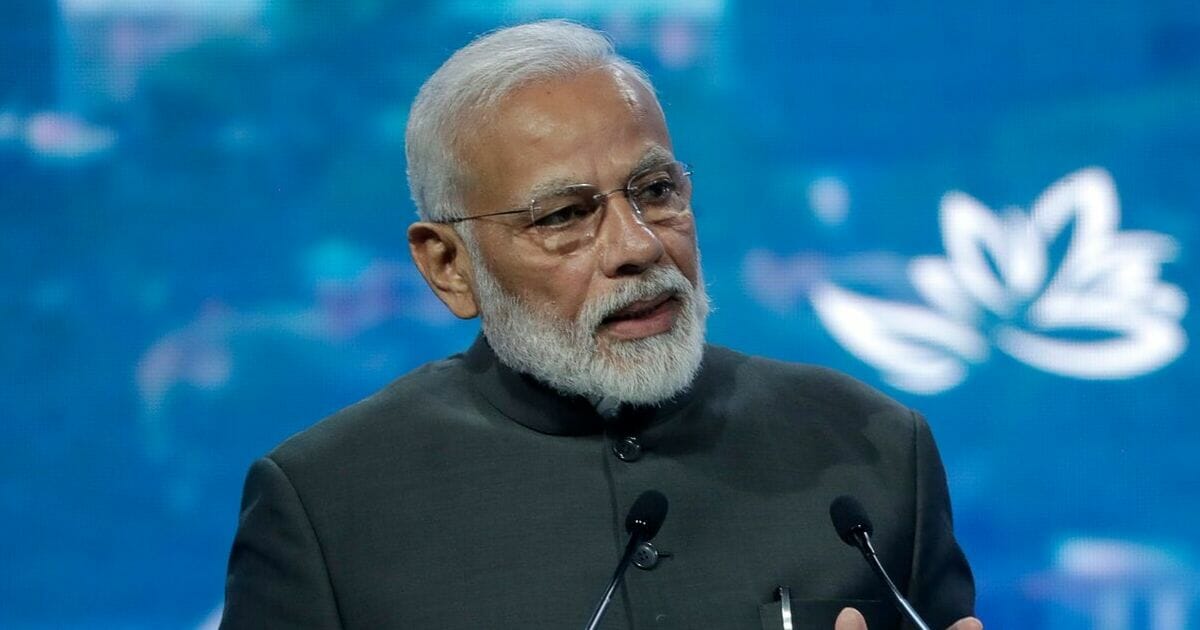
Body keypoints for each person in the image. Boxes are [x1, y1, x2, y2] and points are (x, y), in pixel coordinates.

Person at [220, 20, 980, 630]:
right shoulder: (328, 506)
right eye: (563, 216)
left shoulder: (871, 451)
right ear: (449, 265)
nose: (638, 247)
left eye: (655, 190)